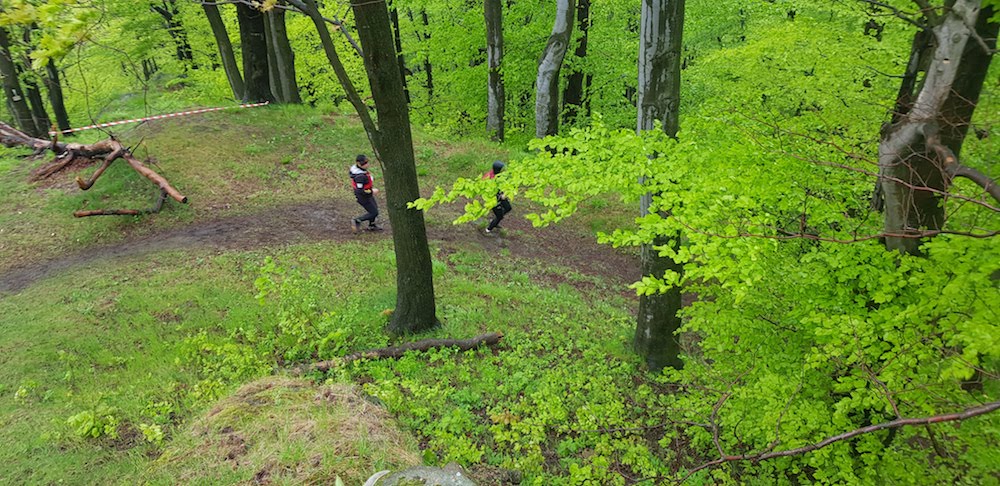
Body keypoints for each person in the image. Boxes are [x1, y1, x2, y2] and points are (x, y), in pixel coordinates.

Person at [350, 154, 381, 232]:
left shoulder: (361, 171)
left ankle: (372, 225)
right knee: (374, 212)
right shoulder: (360, 177)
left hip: (367, 194)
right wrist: (371, 191)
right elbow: (360, 190)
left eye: (367, 162)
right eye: (364, 163)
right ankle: (357, 220)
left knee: (374, 208)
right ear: (358, 164)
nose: (367, 164)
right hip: (363, 197)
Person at [483, 160, 511, 234]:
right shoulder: (489, 177)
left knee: (508, 208)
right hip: (493, 199)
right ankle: (488, 229)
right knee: (499, 216)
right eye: (501, 169)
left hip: (500, 195)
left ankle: (496, 219)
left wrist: (504, 193)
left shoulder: (499, 175)